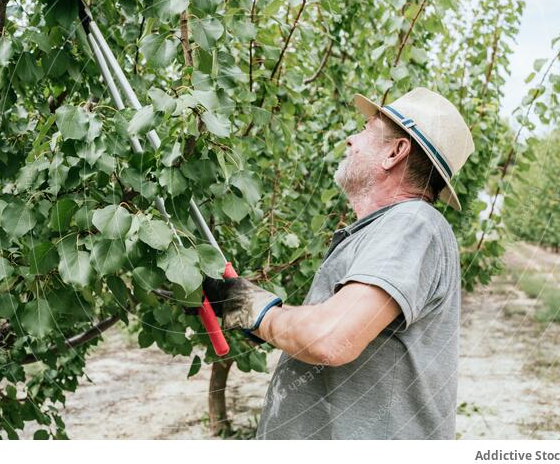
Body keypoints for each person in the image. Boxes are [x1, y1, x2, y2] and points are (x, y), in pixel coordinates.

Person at [202, 87, 476, 439]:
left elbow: (330, 338)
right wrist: (241, 311)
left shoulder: (413, 224)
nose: (351, 139)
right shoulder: (385, 230)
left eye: (365, 128)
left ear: (395, 152)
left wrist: (255, 309)